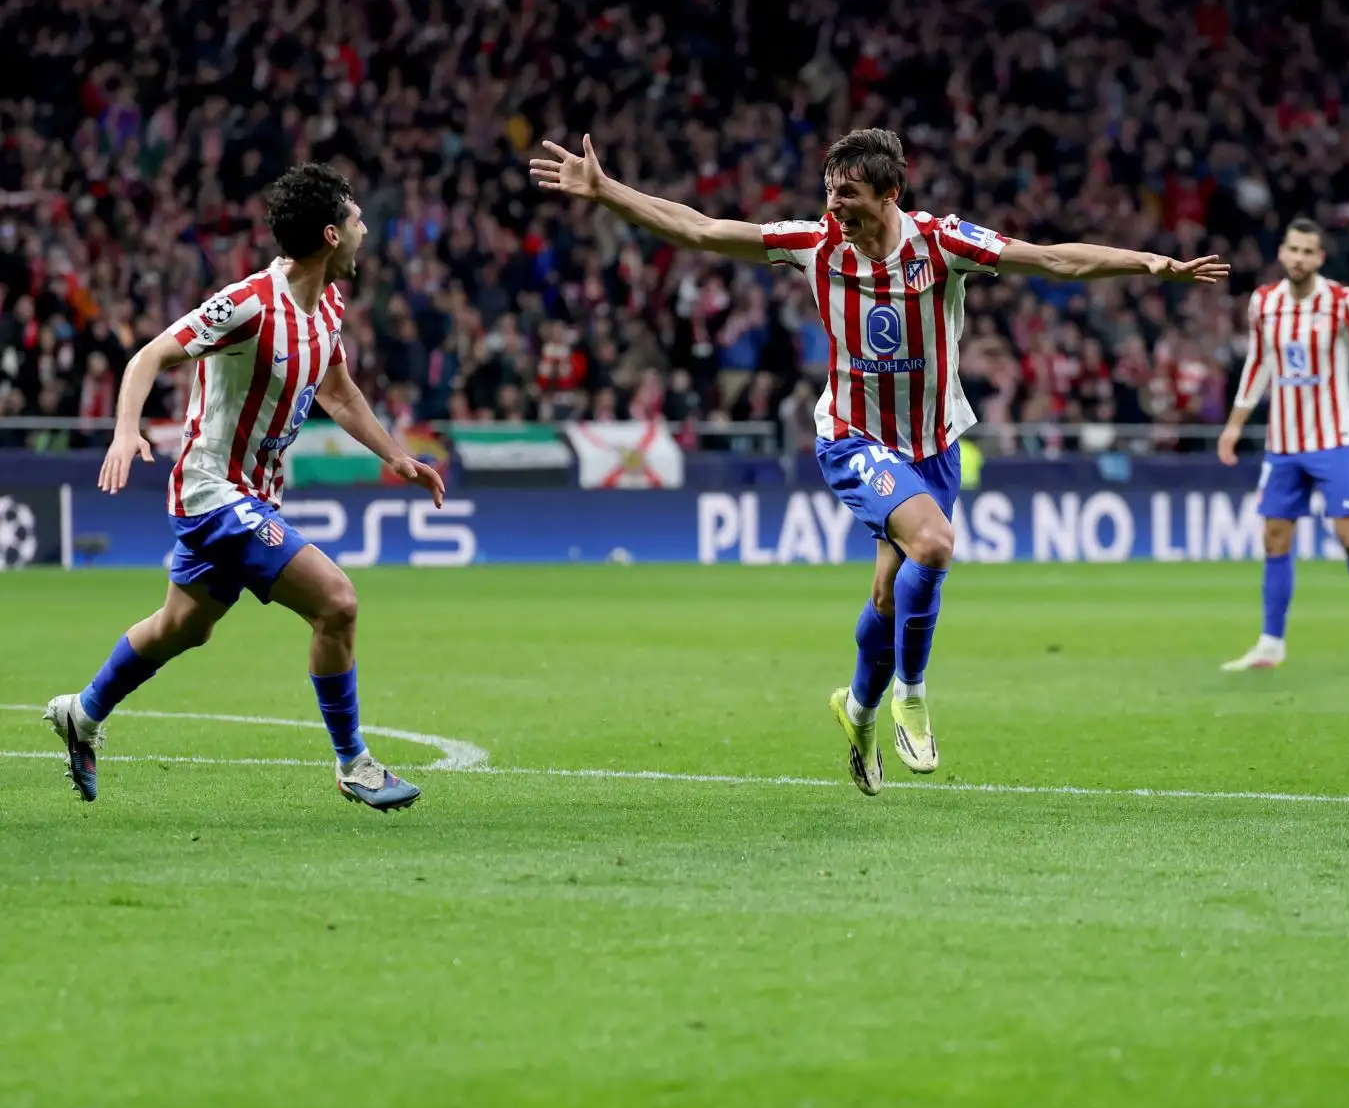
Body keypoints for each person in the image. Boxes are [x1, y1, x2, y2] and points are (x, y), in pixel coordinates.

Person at [531, 128, 1227, 795]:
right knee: (935, 542)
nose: (835, 206)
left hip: (933, 445)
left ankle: (859, 712)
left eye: (851, 194)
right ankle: (913, 697)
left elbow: (1050, 258)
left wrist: (1148, 263)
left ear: (891, 193)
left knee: (890, 599)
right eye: (831, 191)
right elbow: (704, 230)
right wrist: (608, 191)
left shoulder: (942, 242)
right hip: (854, 439)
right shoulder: (814, 245)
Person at [43, 164, 445, 810]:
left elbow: (338, 391)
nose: (365, 228)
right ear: (329, 235)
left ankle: (81, 715)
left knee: (182, 627)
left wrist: (396, 456)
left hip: (254, 494)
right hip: (213, 494)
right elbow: (149, 356)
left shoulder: (331, 305)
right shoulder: (250, 305)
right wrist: (126, 430)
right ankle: (354, 763)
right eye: (356, 219)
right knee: (336, 602)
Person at [1216, 218, 1349, 671]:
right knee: (1274, 537)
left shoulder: (1343, 302)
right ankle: (1271, 642)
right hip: (1283, 443)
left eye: (1308, 251)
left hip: (1334, 440)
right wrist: (1234, 425)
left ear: (1320, 258)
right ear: (1282, 252)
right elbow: (1258, 364)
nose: (1299, 258)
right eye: (1293, 249)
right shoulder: (1264, 302)